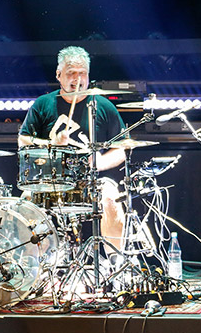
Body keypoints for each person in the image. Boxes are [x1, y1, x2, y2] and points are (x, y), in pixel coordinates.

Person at [18, 45, 127, 246]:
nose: (77, 79)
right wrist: (52, 143)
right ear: (59, 75)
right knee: (25, 203)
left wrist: (100, 163)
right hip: (50, 180)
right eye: (71, 73)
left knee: (111, 199)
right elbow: (23, 140)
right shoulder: (43, 104)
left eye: (82, 73)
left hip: (90, 180)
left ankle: (115, 263)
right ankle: (36, 265)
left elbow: (122, 148)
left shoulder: (102, 106)